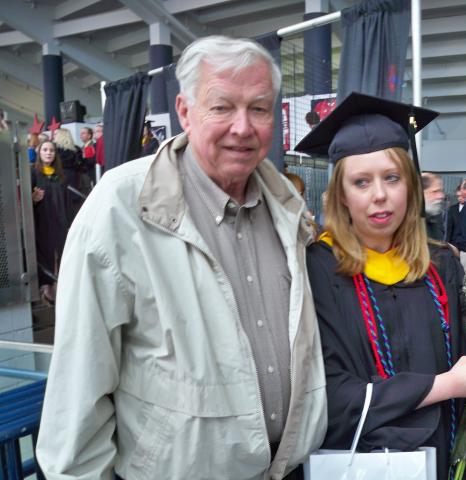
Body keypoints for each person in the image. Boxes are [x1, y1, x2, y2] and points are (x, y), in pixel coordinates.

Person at [36, 35, 327, 480]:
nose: (243, 127)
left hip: (289, 469)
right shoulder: (121, 208)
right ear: (185, 112)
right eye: (222, 107)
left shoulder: (286, 205)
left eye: (260, 108)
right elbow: (79, 387)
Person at [296, 92, 466, 480]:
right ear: (341, 193)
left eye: (392, 177)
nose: (379, 195)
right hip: (364, 458)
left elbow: (465, 364)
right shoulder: (319, 269)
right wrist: (448, 385)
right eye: (361, 181)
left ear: (410, 185)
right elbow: (330, 397)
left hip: (441, 449)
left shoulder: (441, 264)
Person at [31, 140, 70, 304]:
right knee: (46, 253)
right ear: (39, 153)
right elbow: (25, 198)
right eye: (45, 150)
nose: (48, 153)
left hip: (59, 220)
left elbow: (66, 200)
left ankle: (56, 289)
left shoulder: (59, 174)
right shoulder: (33, 173)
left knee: (59, 253)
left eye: (51, 150)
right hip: (42, 220)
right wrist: (32, 199)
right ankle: (48, 289)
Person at [421, 171, 446, 241]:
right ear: (420, 193)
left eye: (441, 191)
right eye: (435, 191)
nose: (441, 196)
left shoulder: (434, 218)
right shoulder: (408, 225)